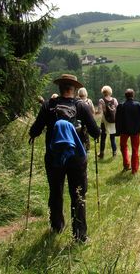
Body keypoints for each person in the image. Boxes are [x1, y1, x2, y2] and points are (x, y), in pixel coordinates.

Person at [29, 74, 100, 242]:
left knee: (55, 191)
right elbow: (95, 131)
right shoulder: (81, 106)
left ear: (60, 88)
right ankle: (80, 235)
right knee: (78, 194)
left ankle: (57, 226)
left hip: (54, 157)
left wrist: (33, 135)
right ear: (74, 89)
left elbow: (36, 129)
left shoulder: (49, 105)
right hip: (76, 158)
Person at [115, 88, 140, 174]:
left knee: (123, 147)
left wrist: (117, 131)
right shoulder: (138, 105)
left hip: (124, 131)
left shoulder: (121, 105)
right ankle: (134, 169)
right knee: (135, 149)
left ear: (125, 96)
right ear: (133, 95)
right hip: (135, 131)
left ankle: (126, 164)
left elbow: (117, 120)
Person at [97, 85, 118, 159]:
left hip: (105, 121)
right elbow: (117, 110)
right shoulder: (114, 100)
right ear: (110, 92)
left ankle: (102, 154)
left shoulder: (101, 100)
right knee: (112, 138)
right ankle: (114, 153)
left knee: (103, 137)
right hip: (113, 121)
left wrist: (94, 112)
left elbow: (99, 111)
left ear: (103, 92)